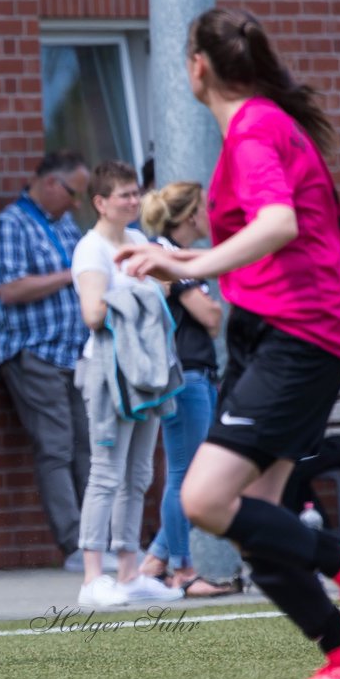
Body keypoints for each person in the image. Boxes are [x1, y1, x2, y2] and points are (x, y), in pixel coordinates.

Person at [119, 8, 340, 679]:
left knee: (205, 498)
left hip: (299, 336)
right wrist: (183, 260)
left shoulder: (254, 129)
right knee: (254, 527)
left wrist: (193, 262)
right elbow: (275, 239)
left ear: (197, 68)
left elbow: (279, 224)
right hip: (276, 331)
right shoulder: (264, 124)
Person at [70, 161, 183, 608]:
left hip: (144, 370)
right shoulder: (90, 249)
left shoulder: (138, 241)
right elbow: (93, 314)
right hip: (106, 371)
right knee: (105, 472)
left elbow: (171, 286)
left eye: (136, 194)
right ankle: (92, 578)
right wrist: (143, 287)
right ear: (101, 202)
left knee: (139, 474)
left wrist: (152, 279)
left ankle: (129, 571)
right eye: (124, 195)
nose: (134, 202)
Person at [0, 151, 91, 572]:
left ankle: (97, 541)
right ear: (50, 184)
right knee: (57, 447)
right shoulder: (11, 224)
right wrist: (71, 274)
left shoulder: (64, 223)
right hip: (33, 353)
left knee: (87, 446)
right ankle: (74, 545)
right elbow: (9, 289)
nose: (77, 204)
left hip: (73, 354)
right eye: (74, 193)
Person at [137, 182, 234, 598]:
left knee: (198, 475)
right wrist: (197, 298)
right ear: (189, 215)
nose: (210, 214)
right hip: (182, 375)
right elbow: (210, 316)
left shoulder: (184, 259)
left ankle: (157, 560)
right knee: (185, 475)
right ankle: (181, 570)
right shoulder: (164, 255)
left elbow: (213, 316)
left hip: (201, 373)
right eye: (204, 207)